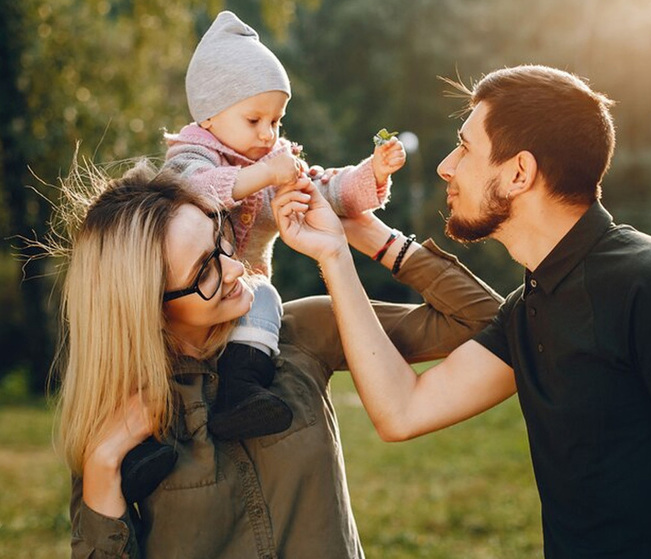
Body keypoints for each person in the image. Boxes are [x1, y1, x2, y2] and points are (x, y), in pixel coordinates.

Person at [272, 64, 651, 559]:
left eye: (465, 147)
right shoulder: (532, 307)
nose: (446, 166)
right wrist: (339, 249)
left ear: (519, 172)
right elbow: (401, 411)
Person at [48, 159, 501, 557]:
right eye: (204, 270)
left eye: (220, 241)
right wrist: (103, 468)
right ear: (147, 305)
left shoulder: (297, 333)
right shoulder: (116, 425)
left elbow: (484, 322)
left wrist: (359, 237)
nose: (233, 268)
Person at [122, 9, 407, 501]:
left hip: (236, 298)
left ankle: (244, 391)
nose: (267, 134)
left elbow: (329, 192)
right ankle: (142, 450)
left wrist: (371, 173)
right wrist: (266, 176)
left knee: (264, 295)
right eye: (253, 119)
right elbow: (193, 189)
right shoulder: (192, 156)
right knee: (154, 374)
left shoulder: (270, 162)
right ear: (209, 116)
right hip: (180, 303)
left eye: (276, 120)